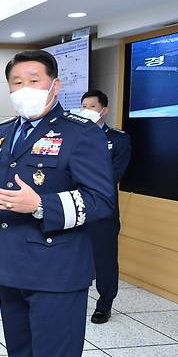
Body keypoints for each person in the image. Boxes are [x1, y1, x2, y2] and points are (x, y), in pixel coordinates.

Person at [0, 50, 115, 356]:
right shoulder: (2, 133)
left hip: (57, 272)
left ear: (55, 86)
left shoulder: (80, 133)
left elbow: (101, 201)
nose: (24, 88)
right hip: (11, 267)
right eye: (16, 82)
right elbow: (0, 188)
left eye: (34, 80)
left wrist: (41, 204)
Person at [76, 90, 131, 324]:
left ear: (104, 110)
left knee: (105, 259)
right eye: (83, 106)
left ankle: (104, 304)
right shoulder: (74, 136)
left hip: (102, 211)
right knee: (73, 256)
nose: (86, 111)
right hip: (75, 207)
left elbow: (113, 176)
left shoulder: (118, 139)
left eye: (91, 106)